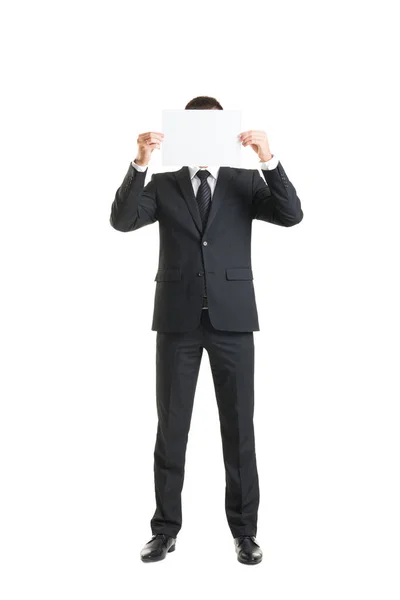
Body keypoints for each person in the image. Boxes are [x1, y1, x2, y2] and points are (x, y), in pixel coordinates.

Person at [109, 96, 304, 565]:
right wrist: (139, 162)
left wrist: (268, 159)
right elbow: (122, 220)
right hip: (177, 321)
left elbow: (291, 213)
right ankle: (165, 530)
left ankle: (245, 533)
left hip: (233, 321)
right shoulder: (164, 182)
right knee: (171, 428)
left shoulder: (244, 181)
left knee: (239, 429)